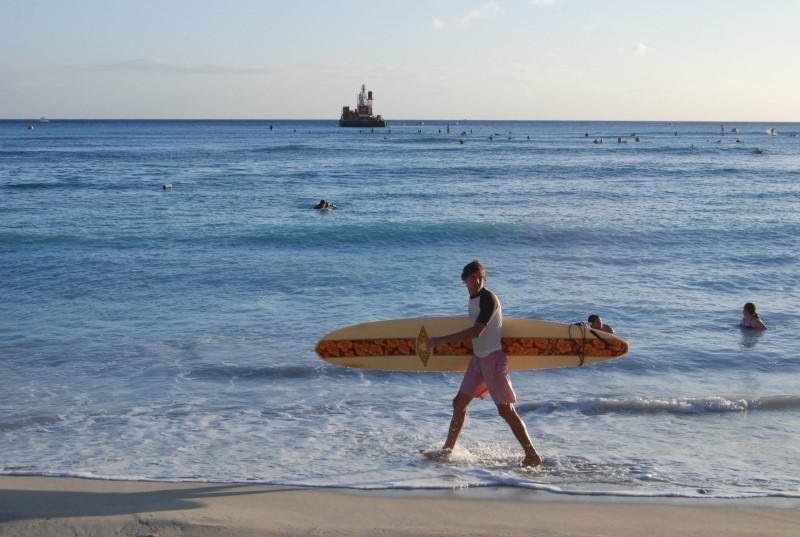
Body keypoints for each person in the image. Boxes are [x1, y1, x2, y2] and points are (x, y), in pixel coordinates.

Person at [426, 260, 542, 467]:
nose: (477, 280)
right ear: (464, 280)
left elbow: (477, 331)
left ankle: (532, 454)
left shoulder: (488, 298)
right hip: (478, 360)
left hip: (493, 360)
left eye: (480, 277)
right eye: (472, 277)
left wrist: (440, 341)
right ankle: (447, 451)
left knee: (506, 410)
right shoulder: (473, 299)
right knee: (458, 403)